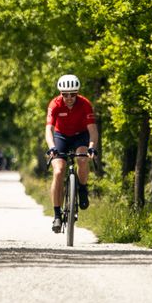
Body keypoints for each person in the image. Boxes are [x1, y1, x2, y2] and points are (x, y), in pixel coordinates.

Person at [45, 74, 98, 233]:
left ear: (77, 93)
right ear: (60, 93)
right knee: (59, 171)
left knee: (82, 160)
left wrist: (92, 147)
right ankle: (56, 215)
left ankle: (82, 188)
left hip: (80, 136)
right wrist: (52, 147)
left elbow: (92, 130)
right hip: (61, 136)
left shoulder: (85, 104)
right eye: (65, 94)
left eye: (73, 94)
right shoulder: (54, 104)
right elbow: (49, 129)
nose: (69, 98)